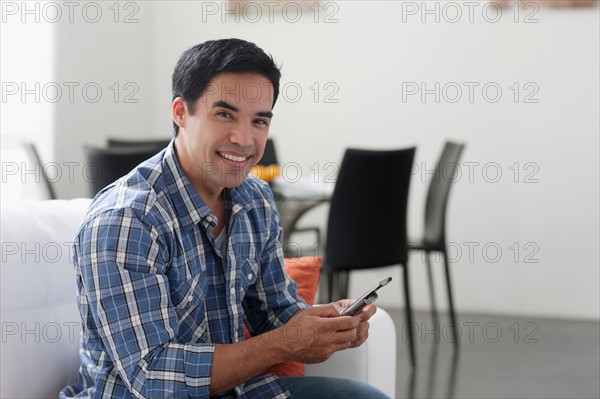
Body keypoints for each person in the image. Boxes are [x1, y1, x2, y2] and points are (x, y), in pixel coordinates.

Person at [61, 38, 389, 399]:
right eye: (224, 114)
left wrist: (324, 323)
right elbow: (153, 379)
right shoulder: (127, 221)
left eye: (259, 120)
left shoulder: (255, 200)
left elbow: (274, 311)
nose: (244, 139)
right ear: (181, 112)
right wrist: (285, 343)